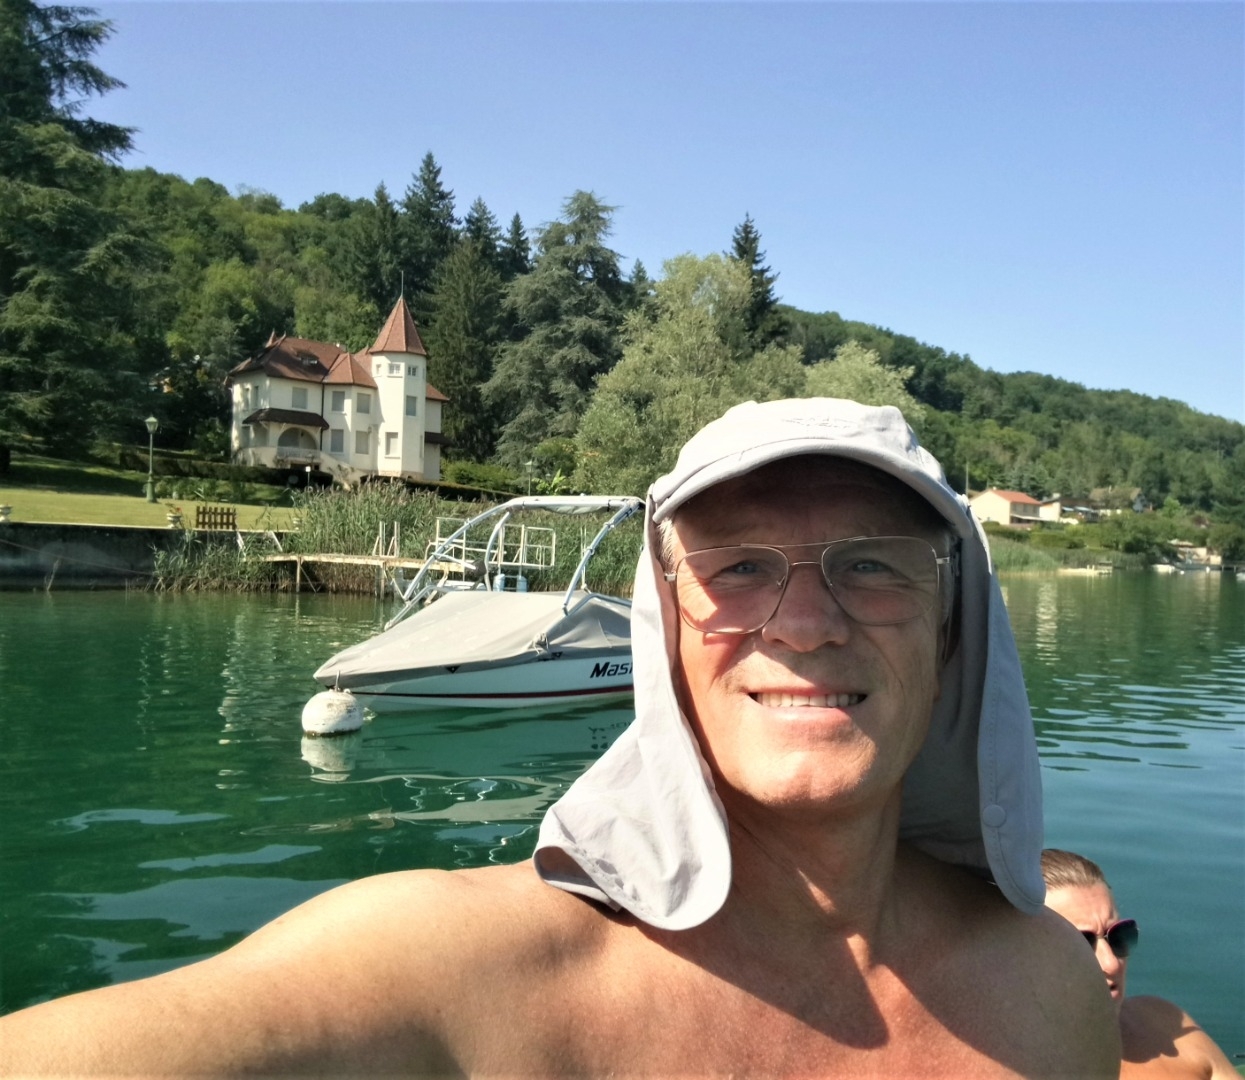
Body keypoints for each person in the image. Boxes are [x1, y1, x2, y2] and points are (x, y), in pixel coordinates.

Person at [0, 398, 1119, 1077]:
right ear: (662, 628)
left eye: (871, 563)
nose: (806, 623)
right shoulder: (454, 977)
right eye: (737, 567)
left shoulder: (1046, 994)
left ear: (951, 624)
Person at [1042, 848, 1238, 1079]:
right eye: (1081, 943)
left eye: (1118, 935)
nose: (1112, 964)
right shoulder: (1011, 1069)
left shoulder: (1165, 1024)